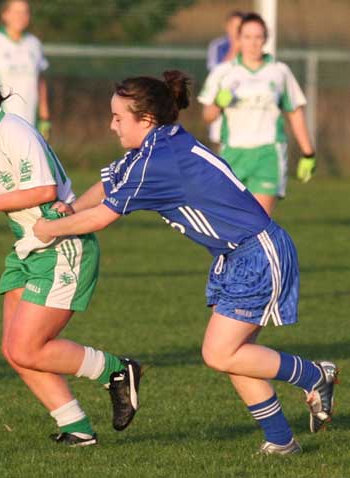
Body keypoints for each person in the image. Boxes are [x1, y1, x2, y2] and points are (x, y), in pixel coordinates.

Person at [31, 70, 338, 455]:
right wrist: (70, 208)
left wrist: (49, 229)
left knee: (220, 352)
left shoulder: (158, 159)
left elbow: (104, 217)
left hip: (258, 253)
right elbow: (110, 186)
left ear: (145, 120)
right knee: (235, 355)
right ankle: (280, 442)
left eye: (118, 118)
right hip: (237, 255)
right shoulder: (157, 147)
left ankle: (314, 375)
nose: (111, 126)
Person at [0, 62, 141, 447]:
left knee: (27, 347)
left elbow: (45, 191)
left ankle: (115, 369)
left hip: (63, 242)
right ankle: (76, 426)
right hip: (26, 247)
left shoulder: (14, 131)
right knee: (14, 351)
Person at [198, 13, 316, 216]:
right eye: (247, 37)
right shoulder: (224, 72)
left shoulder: (279, 72)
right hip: (233, 153)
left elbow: (294, 111)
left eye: (258, 37)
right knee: (232, 222)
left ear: (266, 38)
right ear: (238, 39)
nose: (253, 43)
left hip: (268, 153)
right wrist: (218, 103)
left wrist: (308, 153)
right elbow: (207, 116)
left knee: (258, 222)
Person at [0, 0, 51, 137]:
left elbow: (40, 81)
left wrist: (44, 117)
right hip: (1, 120)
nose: (21, 16)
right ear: (5, 15)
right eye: (16, 12)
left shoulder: (33, 43)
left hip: (30, 121)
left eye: (25, 12)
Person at [205, 10, 244, 147]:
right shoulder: (219, 46)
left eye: (241, 27)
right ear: (228, 27)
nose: (238, 31)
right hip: (221, 100)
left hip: (243, 101)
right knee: (220, 142)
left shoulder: (250, 46)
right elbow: (216, 74)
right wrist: (235, 48)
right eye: (235, 26)